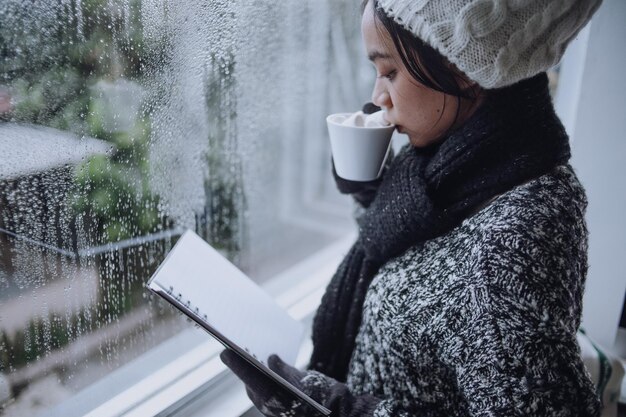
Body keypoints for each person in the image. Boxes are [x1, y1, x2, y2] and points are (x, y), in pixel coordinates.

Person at [221, 0, 604, 415]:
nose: (376, 95)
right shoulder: (454, 168)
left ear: (463, 69)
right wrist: (373, 196)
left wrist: (341, 409)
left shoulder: (509, 240)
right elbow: (420, 270)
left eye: (389, 71)